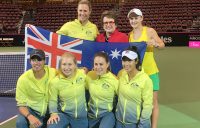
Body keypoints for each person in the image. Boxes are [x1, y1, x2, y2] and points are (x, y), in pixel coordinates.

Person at [127, 8, 165, 128]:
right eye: (131, 19)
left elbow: (162, 45)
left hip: (151, 72)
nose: (133, 21)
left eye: (136, 18)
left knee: (153, 102)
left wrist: (155, 44)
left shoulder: (149, 31)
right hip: (137, 74)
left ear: (141, 18)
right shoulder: (130, 35)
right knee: (140, 102)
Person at [16, 49, 57, 128]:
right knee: (20, 122)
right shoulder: (23, 79)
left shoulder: (53, 72)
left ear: (45, 61)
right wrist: (30, 116)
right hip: (33, 111)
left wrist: (82, 70)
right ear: (30, 62)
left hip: (51, 110)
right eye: (34, 60)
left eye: (39, 60)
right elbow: (21, 104)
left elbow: (67, 72)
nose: (36, 63)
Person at [47, 52, 88, 128]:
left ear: (75, 65)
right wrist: (53, 113)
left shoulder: (82, 74)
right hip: (64, 115)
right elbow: (52, 100)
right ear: (60, 66)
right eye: (64, 64)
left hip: (81, 117)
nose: (66, 68)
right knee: (52, 126)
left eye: (70, 64)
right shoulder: (55, 82)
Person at [116, 46, 153, 128]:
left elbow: (148, 105)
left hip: (135, 124)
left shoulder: (145, 80)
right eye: (124, 60)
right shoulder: (121, 74)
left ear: (136, 61)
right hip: (118, 122)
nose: (126, 64)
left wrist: (142, 125)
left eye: (129, 60)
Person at [86, 52, 118, 128]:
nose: (98, 67)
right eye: (96, 64)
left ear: (107, 64)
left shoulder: (114, 80)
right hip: (91, 115)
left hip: (107, 115)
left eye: (101, 64)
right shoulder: (90, 76)